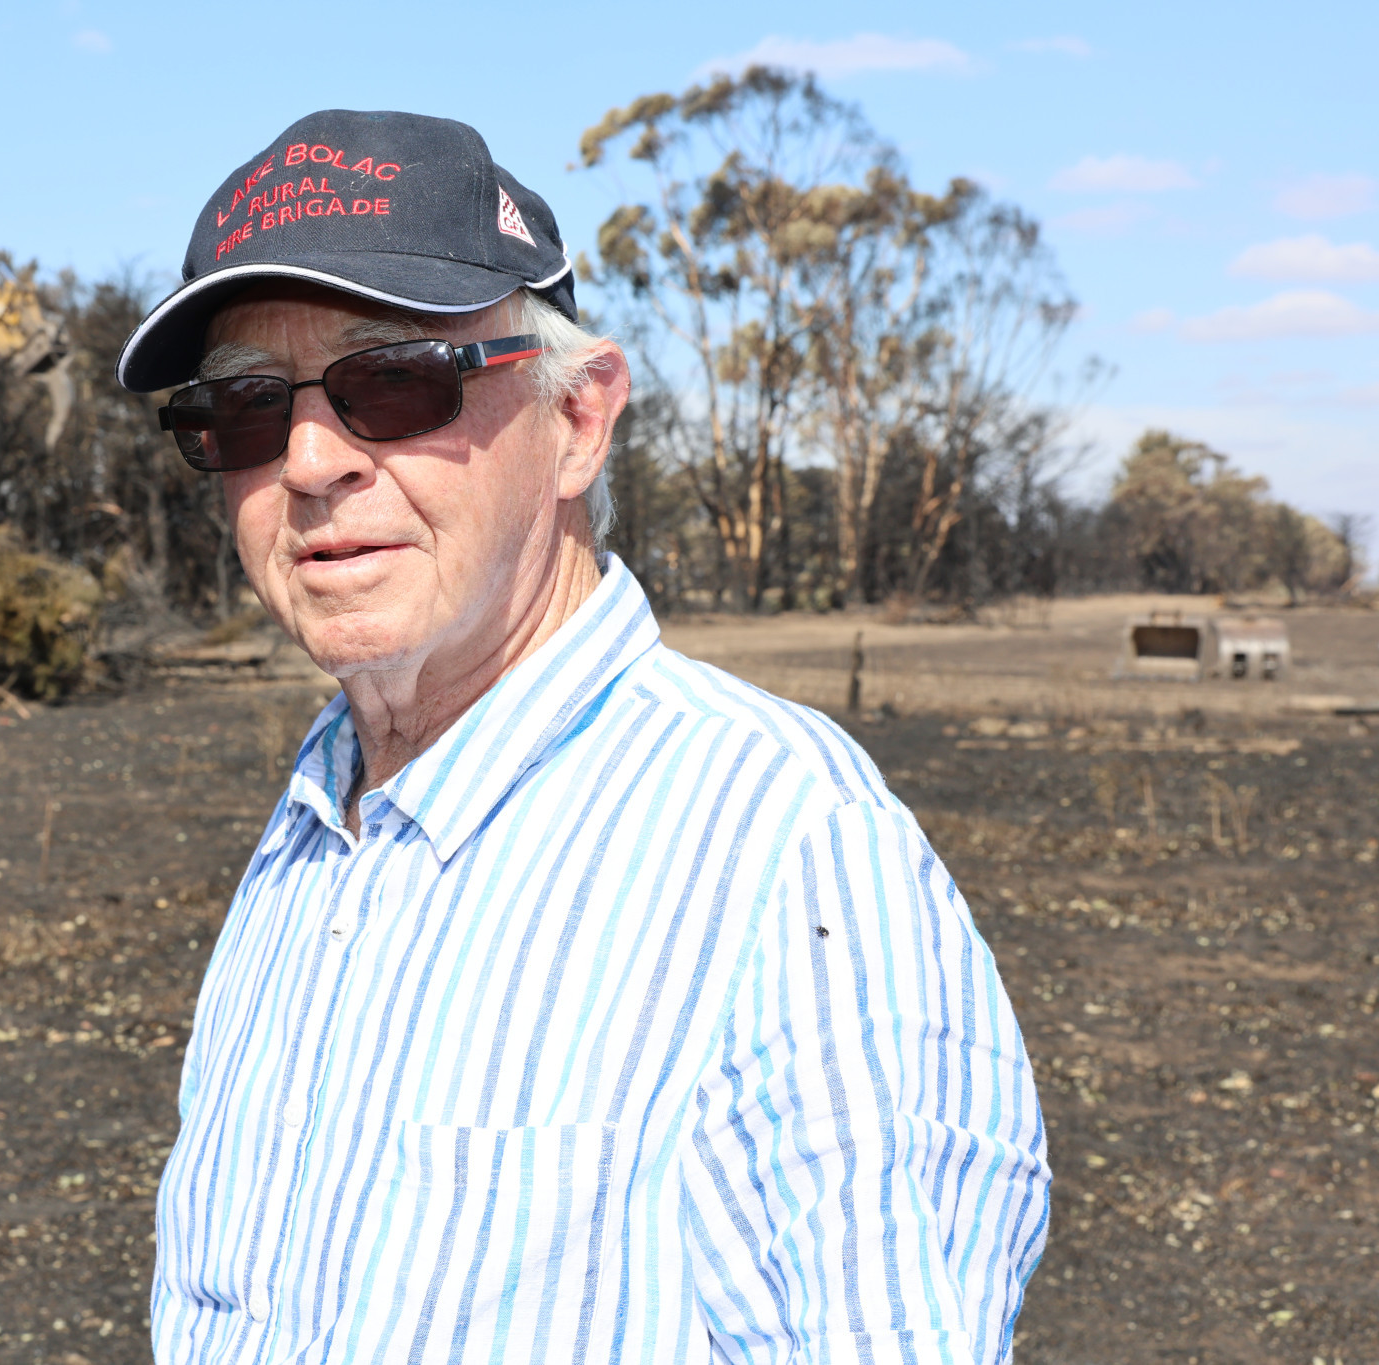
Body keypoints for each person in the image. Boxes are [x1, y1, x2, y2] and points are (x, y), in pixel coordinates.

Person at [116, 108, 1049, 1365]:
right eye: (238, 407)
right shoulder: (315, 824)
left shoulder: (778, 842)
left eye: (393, 380)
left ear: (576, 421)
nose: (306, 458)